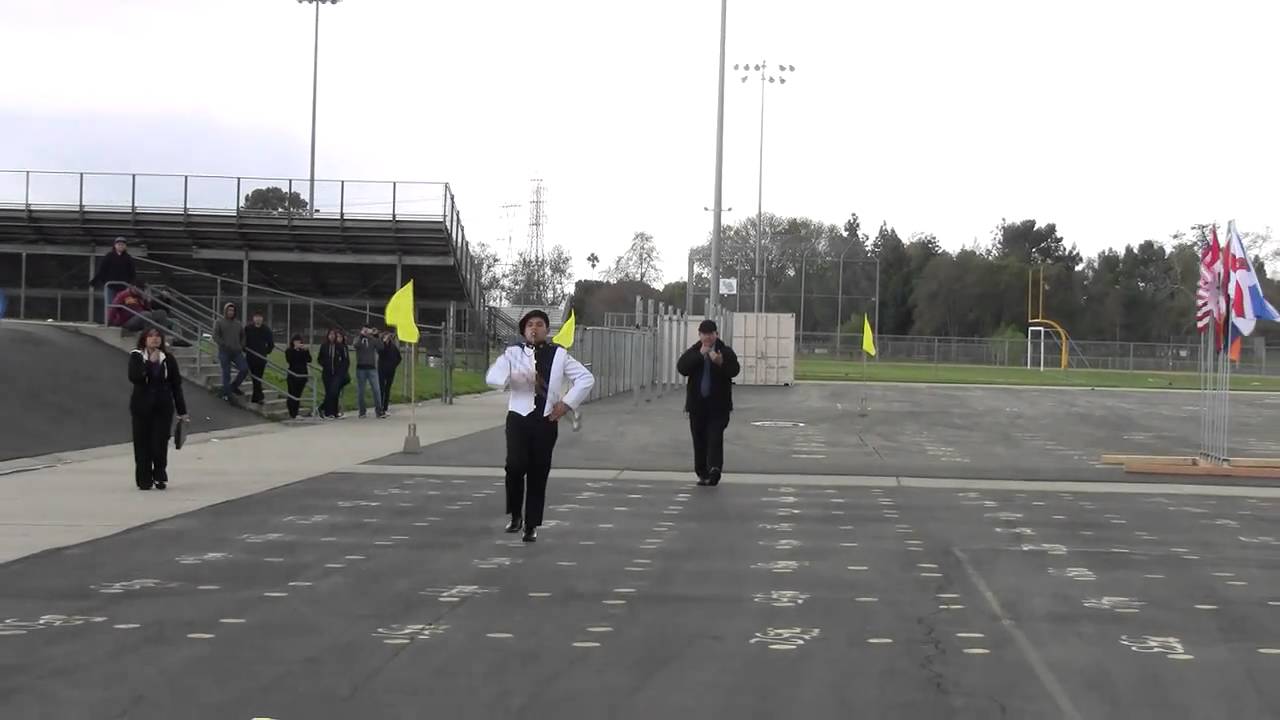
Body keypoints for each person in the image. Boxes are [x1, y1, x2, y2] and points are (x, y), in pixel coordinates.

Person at [485, 309, 594, 542]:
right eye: (530, 325)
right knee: (514, 467)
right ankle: (515, 515)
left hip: (545, 421)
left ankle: (531, 524)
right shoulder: (513, 353)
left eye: (540, 324)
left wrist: (566, 405)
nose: (534, 328)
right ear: (524, 330)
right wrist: (517, 378)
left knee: (538, 472)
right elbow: (493, 377)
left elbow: (586, 378)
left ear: (546, 330)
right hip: (518, 419)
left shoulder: (559, 355)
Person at [676, 319, 740, 487]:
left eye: (711, 334)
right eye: (704, 334)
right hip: (697, 406)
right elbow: (682, 368)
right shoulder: (694, 351)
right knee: (699, 439)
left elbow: (734, 370)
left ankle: (714, 470)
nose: (708, 337)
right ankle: (702, 472)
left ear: (716, 334)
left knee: (714, 437)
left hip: (718, 406)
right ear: (700, 335)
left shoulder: (724, 351)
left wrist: (720, 363)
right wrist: (699, 355)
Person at [128, 327, 189, 490]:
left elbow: (176, 386)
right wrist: (149, 363)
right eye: (151, 336)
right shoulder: (136, 356)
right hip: (141, 407)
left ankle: (160, 474)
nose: (154, 339)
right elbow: (135, 378)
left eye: (157, 336)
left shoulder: (168, 359)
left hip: (162, 407)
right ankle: (144, 478)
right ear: (144, 339)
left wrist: (182, 411)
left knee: (159, 442)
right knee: (142, 444)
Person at [90, 237, 136, 321]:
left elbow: (132, 273)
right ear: (115, 246)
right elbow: (102, 270)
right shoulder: (109, 256)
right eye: (119, 245)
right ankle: (109, 321)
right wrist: (95, 281)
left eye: (122, 245)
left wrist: (131, 283)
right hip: (110, 285)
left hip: (123, 286)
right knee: (110, 304)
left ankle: (119, 320)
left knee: (122, 305)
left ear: (125, 246)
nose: (120, 246)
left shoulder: (128, 258)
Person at [213, 303, 249, 401]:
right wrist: (223, 344)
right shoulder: (219, 322)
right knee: (226, 373)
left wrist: (241, 346)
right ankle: (228, 394)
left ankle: (233, 387)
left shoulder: (238, 324)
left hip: (236, 351)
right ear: (225, 311)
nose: (231, 312)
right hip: (224, 352)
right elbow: (215, 336)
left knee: (244, 369)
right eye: (229, 310)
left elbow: (243, 336)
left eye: (232, 311)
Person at [352, 324, 386, 419]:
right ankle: (362, 411)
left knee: (376, 390)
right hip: (360, 368)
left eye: (368, 330)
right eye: (365, 330)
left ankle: (379, 411)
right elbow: (355, 345)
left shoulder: (372, 340)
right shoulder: (358, 338)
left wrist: (376, 335)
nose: (366, 332)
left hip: (372, 368)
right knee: (361, 391)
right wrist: (361, 335)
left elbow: (381, 347)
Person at [244, 311, 276, 405]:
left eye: (260, 317)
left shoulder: (266, 330)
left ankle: (257, 397)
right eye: (256, 317)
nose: (258, 319)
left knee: (258, 377)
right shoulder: (248, 328)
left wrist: (265, 352)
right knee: (255, 377)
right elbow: (243, 340)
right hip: (250, 356)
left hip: (261, 358)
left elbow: (271, 344)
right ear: (253, 318)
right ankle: (258, 397)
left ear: (262, 319)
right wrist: (245, 350)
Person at [318, 329, 349, 419]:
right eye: (330, 334)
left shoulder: (340, 347)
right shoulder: (324, 346)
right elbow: (320, 358)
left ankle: (324, 408)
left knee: (334, 391)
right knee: (329, 392)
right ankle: (330, 413)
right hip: (327, 373)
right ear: (328, 336)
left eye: (333, 334)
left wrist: (341, 370)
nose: (331, 336)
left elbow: (345, 360)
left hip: (337, 374)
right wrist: (324, 364)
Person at [284, 334, 313, 419]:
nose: (298, 343)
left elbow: (309, 360)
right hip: (293, 375)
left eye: (299, 341)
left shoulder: (303, 351)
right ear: (293, 342)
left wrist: (306, 351)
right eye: (296, 341)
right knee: (292, 393)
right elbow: (289, 360)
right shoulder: (289, 350)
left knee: (298, 394)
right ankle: (292, 413)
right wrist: (295, 349)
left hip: (302, 374)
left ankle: (296, 413)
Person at [378, 330, 402, 415]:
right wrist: (384, 342)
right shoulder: (381, 346)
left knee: (387, 389)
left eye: (388, 337)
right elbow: (381, 352)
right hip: (381, 370)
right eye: (386, 337)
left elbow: (399, 358)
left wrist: (394, 365)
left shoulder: (393, 347)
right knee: (381, 388)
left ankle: (385, 407)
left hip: (391, 370)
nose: (387, 339)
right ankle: (379, 407)